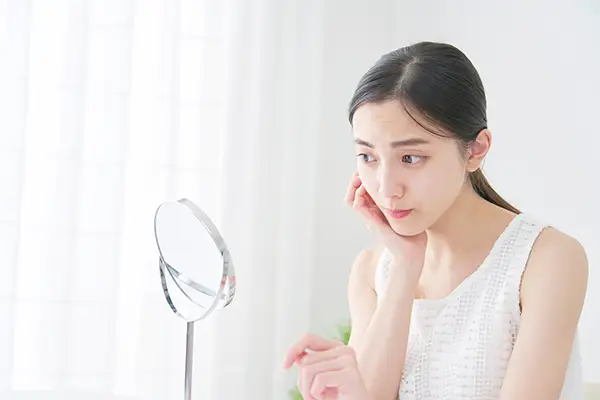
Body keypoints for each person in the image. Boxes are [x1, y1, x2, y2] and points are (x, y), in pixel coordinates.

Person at [282, 41, 588, 400]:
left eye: (410, 157)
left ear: (476, 149)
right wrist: (405, 266)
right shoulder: (370, 272)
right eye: (367, 156)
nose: (386, 188)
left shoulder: (547, 260)